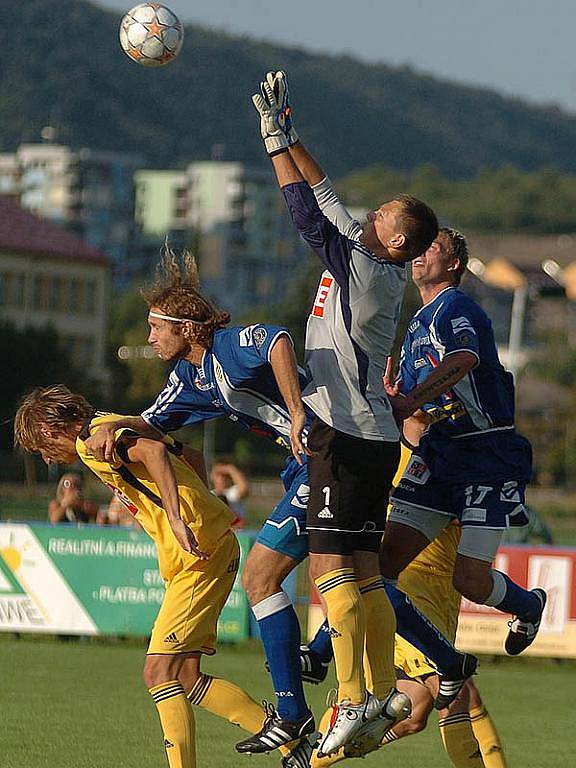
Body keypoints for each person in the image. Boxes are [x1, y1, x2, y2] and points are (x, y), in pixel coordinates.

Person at [85, 252, 472, 767]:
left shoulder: (228, 345)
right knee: (351, 576)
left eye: (157, 327)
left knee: (276, 576)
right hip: (313, 465)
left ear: (188, 326)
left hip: (332, 449)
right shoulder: (188, 377)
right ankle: (438, 663)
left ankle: (312, 708)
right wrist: (118, 426)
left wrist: (295, 414)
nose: (150, 336)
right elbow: (155, 422)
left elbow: (280, 343)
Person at [252, 70, 439, 756]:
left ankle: (356, 698)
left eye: (384, 215)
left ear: (397, 242)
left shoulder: (365, 265)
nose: (371, 215)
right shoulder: (375, 256)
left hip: (342, 430)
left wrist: (273, 144)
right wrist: (294, 134)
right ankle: (384, 689)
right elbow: (327, 192)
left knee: (327, 569)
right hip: (372, 436)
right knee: (363, 570)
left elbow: (304, 211)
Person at [15, 385, 285, 768]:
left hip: (198, 556)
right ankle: (293, 741)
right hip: (203, 548)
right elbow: (188, 454)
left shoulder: (93, 440)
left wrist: (178, 518)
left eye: (39, 448)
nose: (45, 460)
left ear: (46, 428)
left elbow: (155, 453)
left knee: (158, 671)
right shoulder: (108, 424)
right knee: (187, 677)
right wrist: (198, 507)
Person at [380, 227, 547, 658]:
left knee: (469, 580)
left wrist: (412, 398)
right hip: (441, 454)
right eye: (416, 247)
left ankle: (529, 607)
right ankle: (321, 653)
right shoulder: (417, 324)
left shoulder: (456, 307)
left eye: (430, 248)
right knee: (381, 565)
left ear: (453, 264)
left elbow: (463, 359)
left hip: (486, 453)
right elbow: (416, 410)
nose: (418, 254)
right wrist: (397, 401)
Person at [308, 420, 508, 768]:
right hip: (408, 591)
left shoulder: (455, 458)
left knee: (412, 712)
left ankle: (311, 759)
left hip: (441, 595)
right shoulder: (388, 452)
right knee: (460, 694)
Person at [210, 461, 249, 526]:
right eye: (218, 474)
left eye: (225, 475)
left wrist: (230, 469)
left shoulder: (233, 492)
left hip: (236, 532)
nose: (221, 478)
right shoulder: (210, 494)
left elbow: (244, 488)